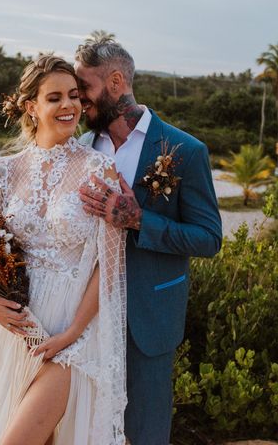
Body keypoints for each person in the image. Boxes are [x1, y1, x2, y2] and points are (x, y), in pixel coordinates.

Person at [0, 54, 128, 445]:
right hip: (18, 330)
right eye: (54, 98)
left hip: (76, 335)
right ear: (31, 106)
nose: (68, 106)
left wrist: (72, 334)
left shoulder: (99, 169)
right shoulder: (2, 173)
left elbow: (112, 264)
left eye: (73, 95)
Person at [76, 38, 222, 444]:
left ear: (116, 82)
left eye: (84, 87)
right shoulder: (79, 148)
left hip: (149, 315)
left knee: (145, 431)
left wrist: (139, 219)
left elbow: (209, 239)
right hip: (84, 316)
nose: (78, 99)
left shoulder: (185, 151)